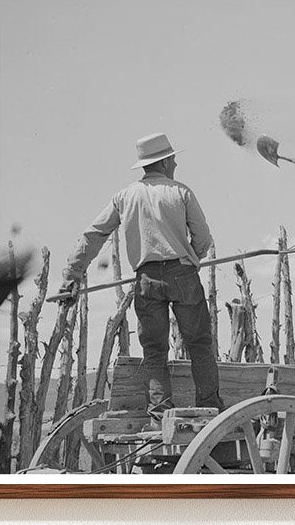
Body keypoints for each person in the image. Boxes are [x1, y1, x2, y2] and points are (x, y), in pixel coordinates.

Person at [57, 132, 223, 413]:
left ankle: (160, 412)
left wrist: (71, 275)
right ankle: (209, 406)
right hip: (182, 274)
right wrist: (192, 256)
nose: (176, 164)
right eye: (174, 159)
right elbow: (204, 239)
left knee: (154, 350)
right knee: (200, 345)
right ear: (167, 161)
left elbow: (93, 235)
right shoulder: (181, 192)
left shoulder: (124, 196)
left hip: (146, 279)